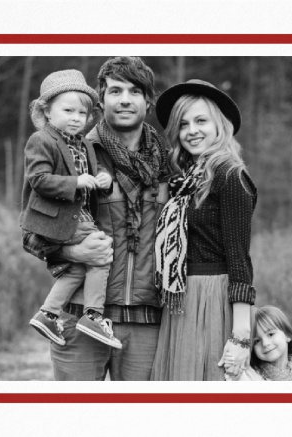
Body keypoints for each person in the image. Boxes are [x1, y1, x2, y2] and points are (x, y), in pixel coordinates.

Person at [43, 57, 170, 381]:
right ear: (101, 100)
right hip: (79, 315)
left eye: (135, 91)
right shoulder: (70, 153)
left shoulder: (169, 165)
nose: (125, 99)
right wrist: (73, 253)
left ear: (148, 100)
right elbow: (33, 231)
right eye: (115, 90)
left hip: (147, 322)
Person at [151, 79, 257, 381]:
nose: (192, 131)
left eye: (201, 121)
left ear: (219, 125)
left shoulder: (230, 175)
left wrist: (240, 336)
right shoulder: (185, 181)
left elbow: (239, 259)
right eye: (183, 124)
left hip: (213, 298)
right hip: (181, 297)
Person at [20, 69, 121, 349]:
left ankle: (48, 313)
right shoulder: (42, 140)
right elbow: (38, 180)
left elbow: (97, 168)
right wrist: (76, 182)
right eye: (68, 110)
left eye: (82, 113)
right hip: (59, 216)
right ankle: (93, 316)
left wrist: (104, 178)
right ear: (47, 113)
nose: (76, 118)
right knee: (101, 254)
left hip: (77, 215)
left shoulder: (85, 144)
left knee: (76, 270)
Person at [224, 306, 292, 381]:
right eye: (257, 341)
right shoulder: (250, 376)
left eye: (271, 334)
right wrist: (232, 362)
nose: (265, 343)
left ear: (287, 335)